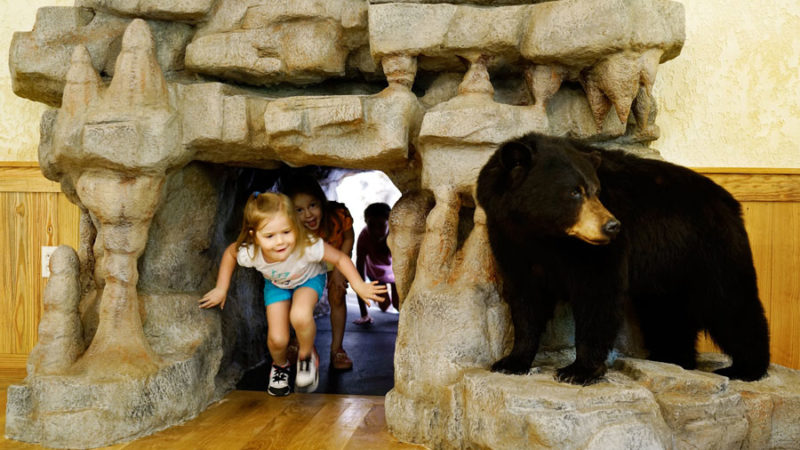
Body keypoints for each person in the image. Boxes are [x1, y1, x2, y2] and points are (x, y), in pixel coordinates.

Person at [198, 192, 386, 396]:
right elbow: (230, 253)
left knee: (299, 315)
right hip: (277, 284)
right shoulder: (251, 251)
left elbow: (339, 258)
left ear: (295, 226)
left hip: (308, 279)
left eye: (286, 232)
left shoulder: (307, 244)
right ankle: (280, 367)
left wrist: (359, 285)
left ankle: (306, 356)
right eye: (269, 236)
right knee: (277, 339)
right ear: (254, 235)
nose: (280, 242)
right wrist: (221, 288)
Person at [281, 174, 357, 371]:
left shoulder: (338, 215)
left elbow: (348, 237)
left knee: (338, 294)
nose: (308, 215)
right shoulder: (289, 227)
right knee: (300, 298)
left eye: (313, 205)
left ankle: (337, 349)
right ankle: (300, 340)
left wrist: (341, 268)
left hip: (336, 255)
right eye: (299, 210)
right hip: (308, 260)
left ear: (321, 202)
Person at [354, 203, 399, 325]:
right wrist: (364, 314)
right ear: (365, 222)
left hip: (396, 274)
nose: (376, 230)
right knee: (384, 306)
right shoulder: (364, 237)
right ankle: (383, 296)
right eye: (371, 225)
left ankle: (393, 294)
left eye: (381, 225)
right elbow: (359, 276)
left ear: (389, 223)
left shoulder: (397, 235)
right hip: (376, 274)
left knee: (398, 305)